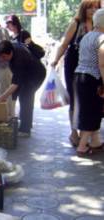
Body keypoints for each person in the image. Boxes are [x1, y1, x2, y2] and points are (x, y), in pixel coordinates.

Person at [51, 0, 100, 147]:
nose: (92, 10)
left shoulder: (99, 25)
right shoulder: (76, 24)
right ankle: (74, 132)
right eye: (89, 7)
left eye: (96, 7)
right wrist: (55, 60)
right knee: (75, 99)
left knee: (91, 99)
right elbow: (64, 44)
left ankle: (90, 133)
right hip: (73, 65)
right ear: (83, 9)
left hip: (93, 65)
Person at [0, 40, 46, 137]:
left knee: (26, 98)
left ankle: (25, 130)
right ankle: (24, 123)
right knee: (22, 96)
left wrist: (1, 97)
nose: (2, 59)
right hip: (27, 74)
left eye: (4, 57)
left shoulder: (19, 59)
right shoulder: (12, 48)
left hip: (36, 75)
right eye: (1, 57)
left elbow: (15, 84)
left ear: (10, 52)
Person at [73, 8, 104, 157]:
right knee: (92, 113)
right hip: (92, 79)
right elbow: (102, 64)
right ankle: (82, 146)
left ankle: (95, 142)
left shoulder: (86, 36)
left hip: (79, 77)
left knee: (86, 111)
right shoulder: (102, 38)